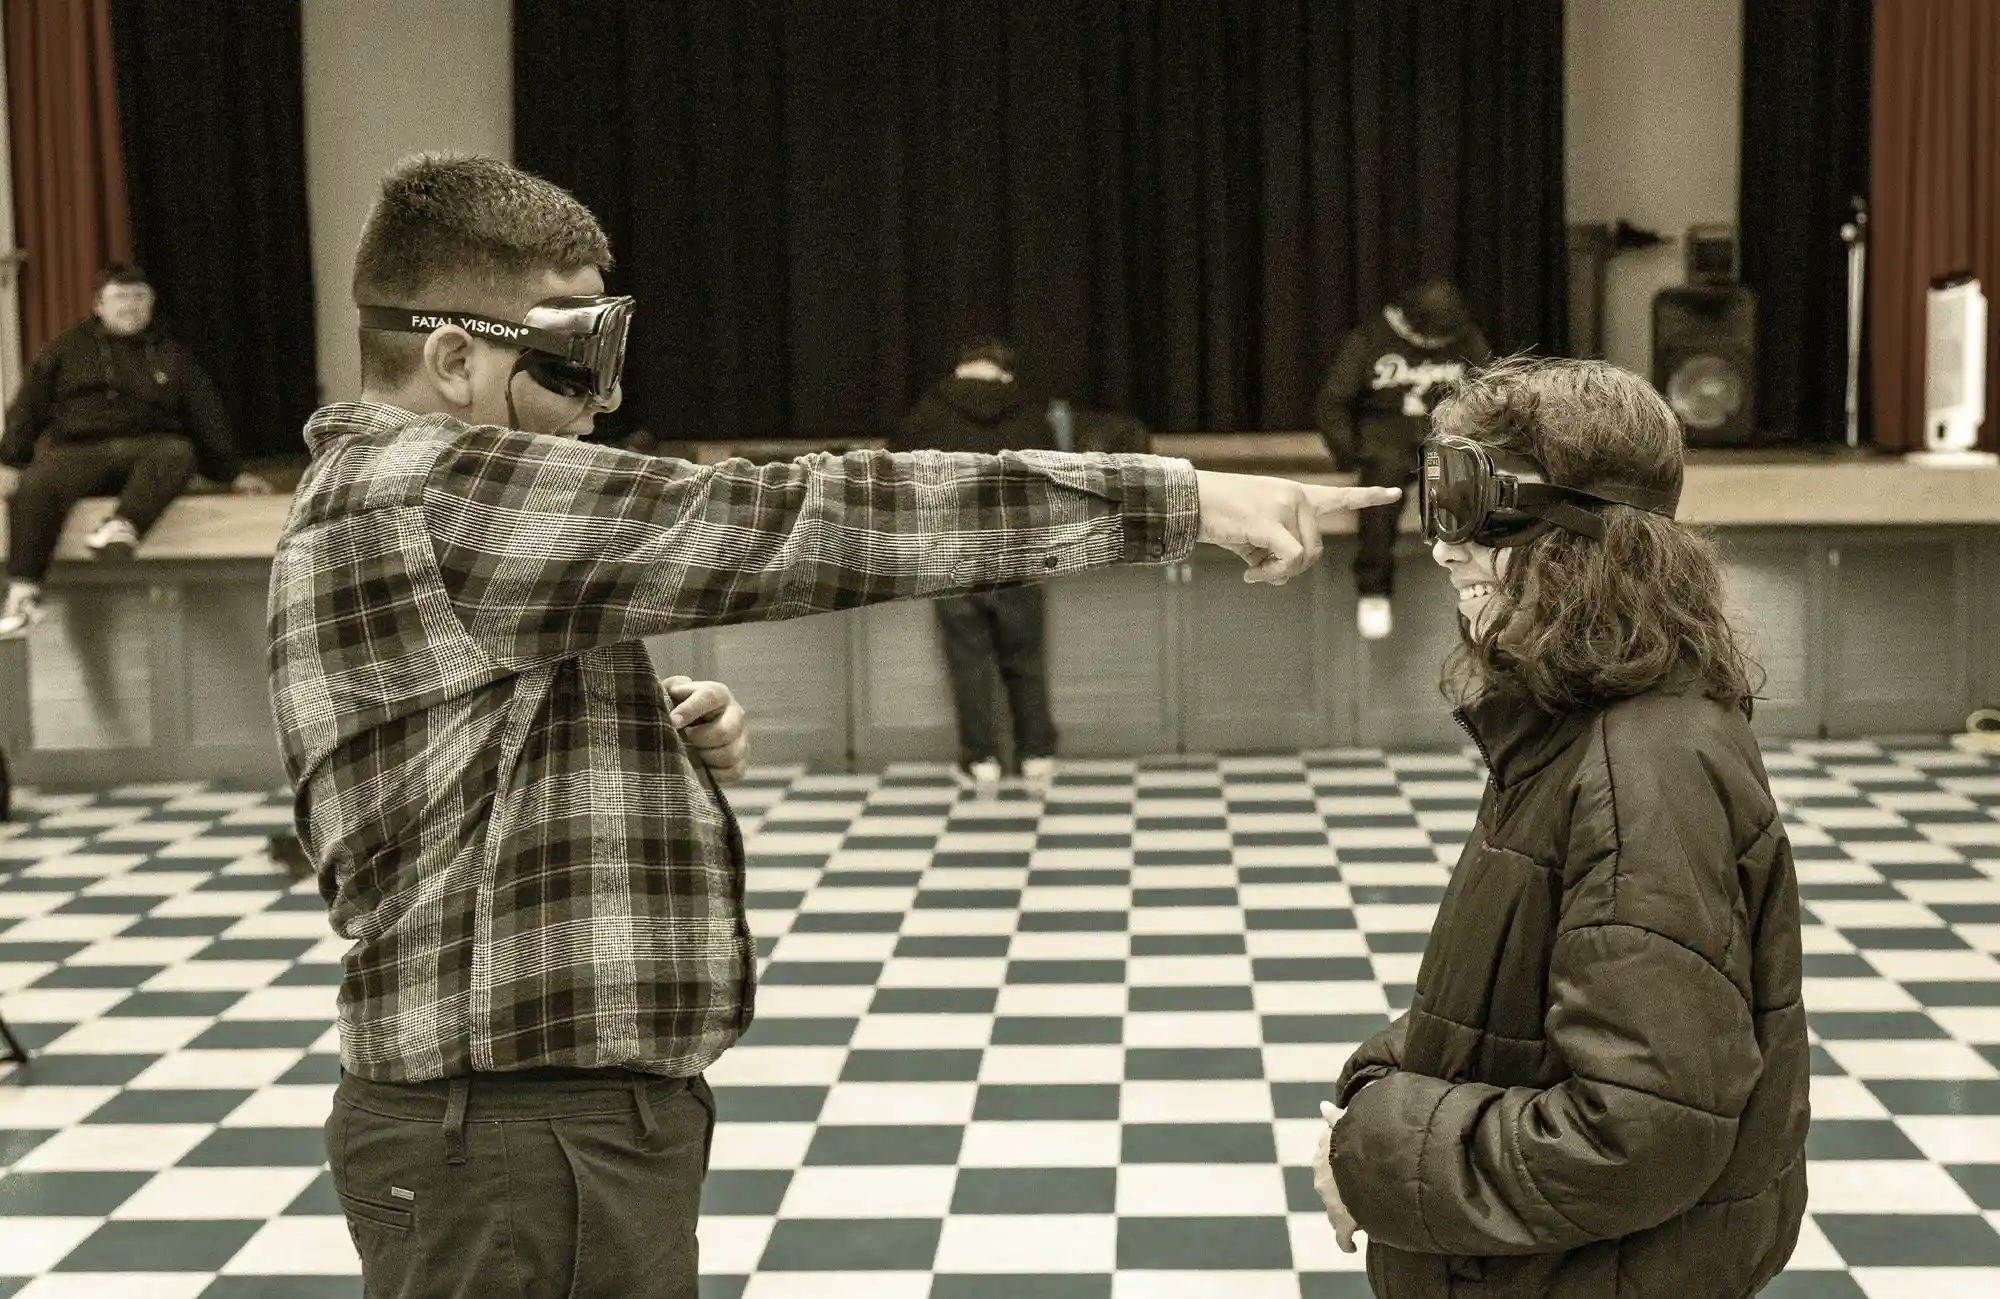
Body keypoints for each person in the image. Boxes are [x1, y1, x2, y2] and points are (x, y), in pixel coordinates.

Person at [269, 152, 1396, 1299]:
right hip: (514, 1137)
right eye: (570, 368)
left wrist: (645, 730)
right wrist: (1184, 498)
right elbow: (799, 521)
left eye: (611, 357)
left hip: (533, 1125)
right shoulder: (437, 492)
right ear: (454, 357)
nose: (602, 406)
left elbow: (433, 754)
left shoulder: (408, 501)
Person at [1311, 358, 1809, 1299]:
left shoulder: (1642, 773)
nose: (1442, 551)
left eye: (1474, 515)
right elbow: (1535, 999)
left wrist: (1372, 1154)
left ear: (1590, 542)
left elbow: (1639, 1131)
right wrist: (1382, 1080)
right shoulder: (1586, 728)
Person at [0, 264, 271, 634]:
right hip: (78, 453)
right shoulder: (63, 350)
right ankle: (23, 596)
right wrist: (10, 461)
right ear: (98, 304)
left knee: (179, 452)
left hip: (149, 453)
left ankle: (122, 526)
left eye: (139, 296)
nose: (131, 305)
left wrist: (233, 473)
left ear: (152, 302)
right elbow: (28, 408)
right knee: (36, 484)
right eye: (120, 297)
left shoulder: (173, 356)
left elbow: (206, 416)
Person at [889, 336, 1060, 789]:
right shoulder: (1031, 415)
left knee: (968, 659)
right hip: (1019, 551)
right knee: (1024, 655)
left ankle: (979, 758)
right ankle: (1035, 754)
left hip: (954, 551)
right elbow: (1058, 480)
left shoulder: (926, 414)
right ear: (1004, 370)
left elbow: (895, 477)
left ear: (958, 368)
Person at [1316, 280, 1491, 641]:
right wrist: (1350, 454)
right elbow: (1333, 402)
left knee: (1466, 485)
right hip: (1384, 436)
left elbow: (1491, 391)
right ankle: (1374, 590)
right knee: (1382, 492)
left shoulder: (1464, 338)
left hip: (1443, 431)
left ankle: (1483, 588)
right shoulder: (1370, 339)